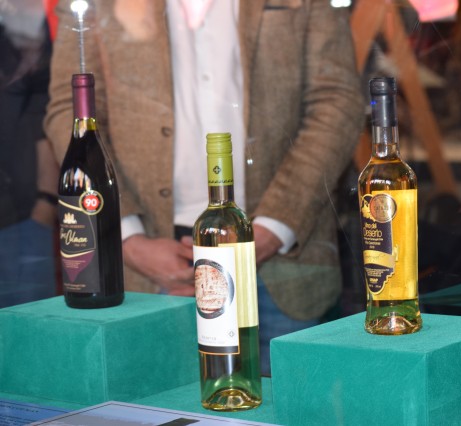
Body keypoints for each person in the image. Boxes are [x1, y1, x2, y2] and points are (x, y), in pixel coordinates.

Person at [44, 0, 364, 374]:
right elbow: (71, 108)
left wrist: (272, 229)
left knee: (288, 400)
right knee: (151, 400)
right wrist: (127, 238)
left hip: (281, 265)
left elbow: (337, 100)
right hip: (145, 266)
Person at [0, 0, 59, 308]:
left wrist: (47, 201)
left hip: (23, 221)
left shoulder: (20, 19)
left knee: (32, 327)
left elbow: (44, 109)